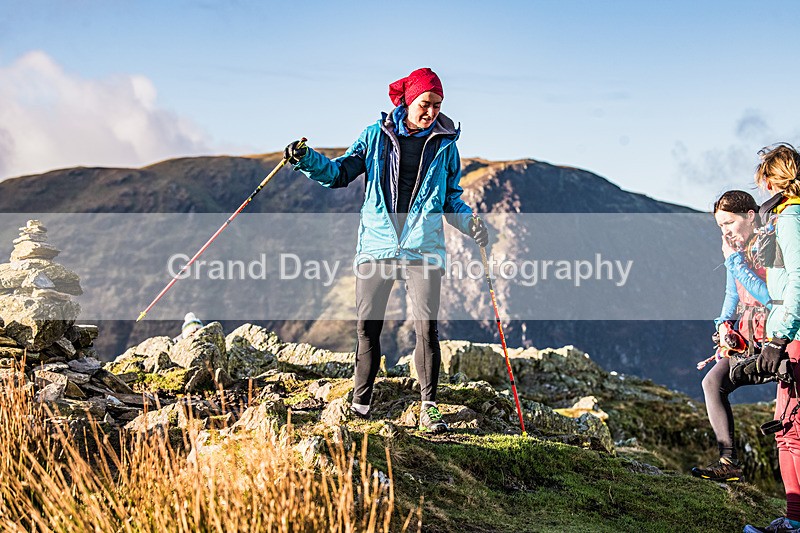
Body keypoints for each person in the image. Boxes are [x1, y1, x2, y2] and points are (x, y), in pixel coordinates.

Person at [283, 67, 488, 433]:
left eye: (437, 105)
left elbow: (451, 199)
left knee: (427, 329)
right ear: (408, 99)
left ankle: (429, 408)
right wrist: (304, 158)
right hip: (377, 245)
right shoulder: (375, 136)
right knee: (367, 328)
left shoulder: (446, 146)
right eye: (426, 103)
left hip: (423, 247)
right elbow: (338, 173)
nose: (431, 112)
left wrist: (470, 222)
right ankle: (361, 405)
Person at [691, 190, 772, 482]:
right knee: (712, 383)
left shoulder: (773, 245)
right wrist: (723, 325)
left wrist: (735, 261)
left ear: (750, 216)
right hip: (749, 341)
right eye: (720, 227)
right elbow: (731, 295)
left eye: (728, 223)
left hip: (779, 342)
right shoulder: (736, 253)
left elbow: (771, 298)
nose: (725, 232)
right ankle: (728, 462)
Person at [744, 143, 800, 533]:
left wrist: (777, 337)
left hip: (794, 336)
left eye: (763, 178)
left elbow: (797, 279)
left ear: (772, 178)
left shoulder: (791, 218)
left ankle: (794, 522)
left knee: (790, 427)